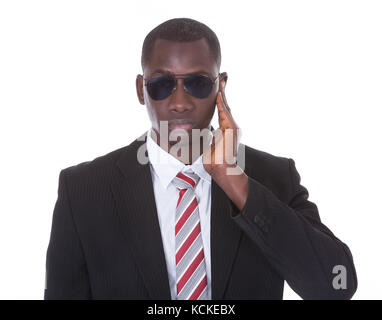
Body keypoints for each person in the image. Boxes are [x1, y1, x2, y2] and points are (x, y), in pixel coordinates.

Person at [44, 18, 357, 300]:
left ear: (220, 87)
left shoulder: (274, 176)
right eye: (162, 85)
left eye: (197, 83)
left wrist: (234, 181)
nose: (180, 103)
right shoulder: (84, 190)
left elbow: (336, 285)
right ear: (141, 90)